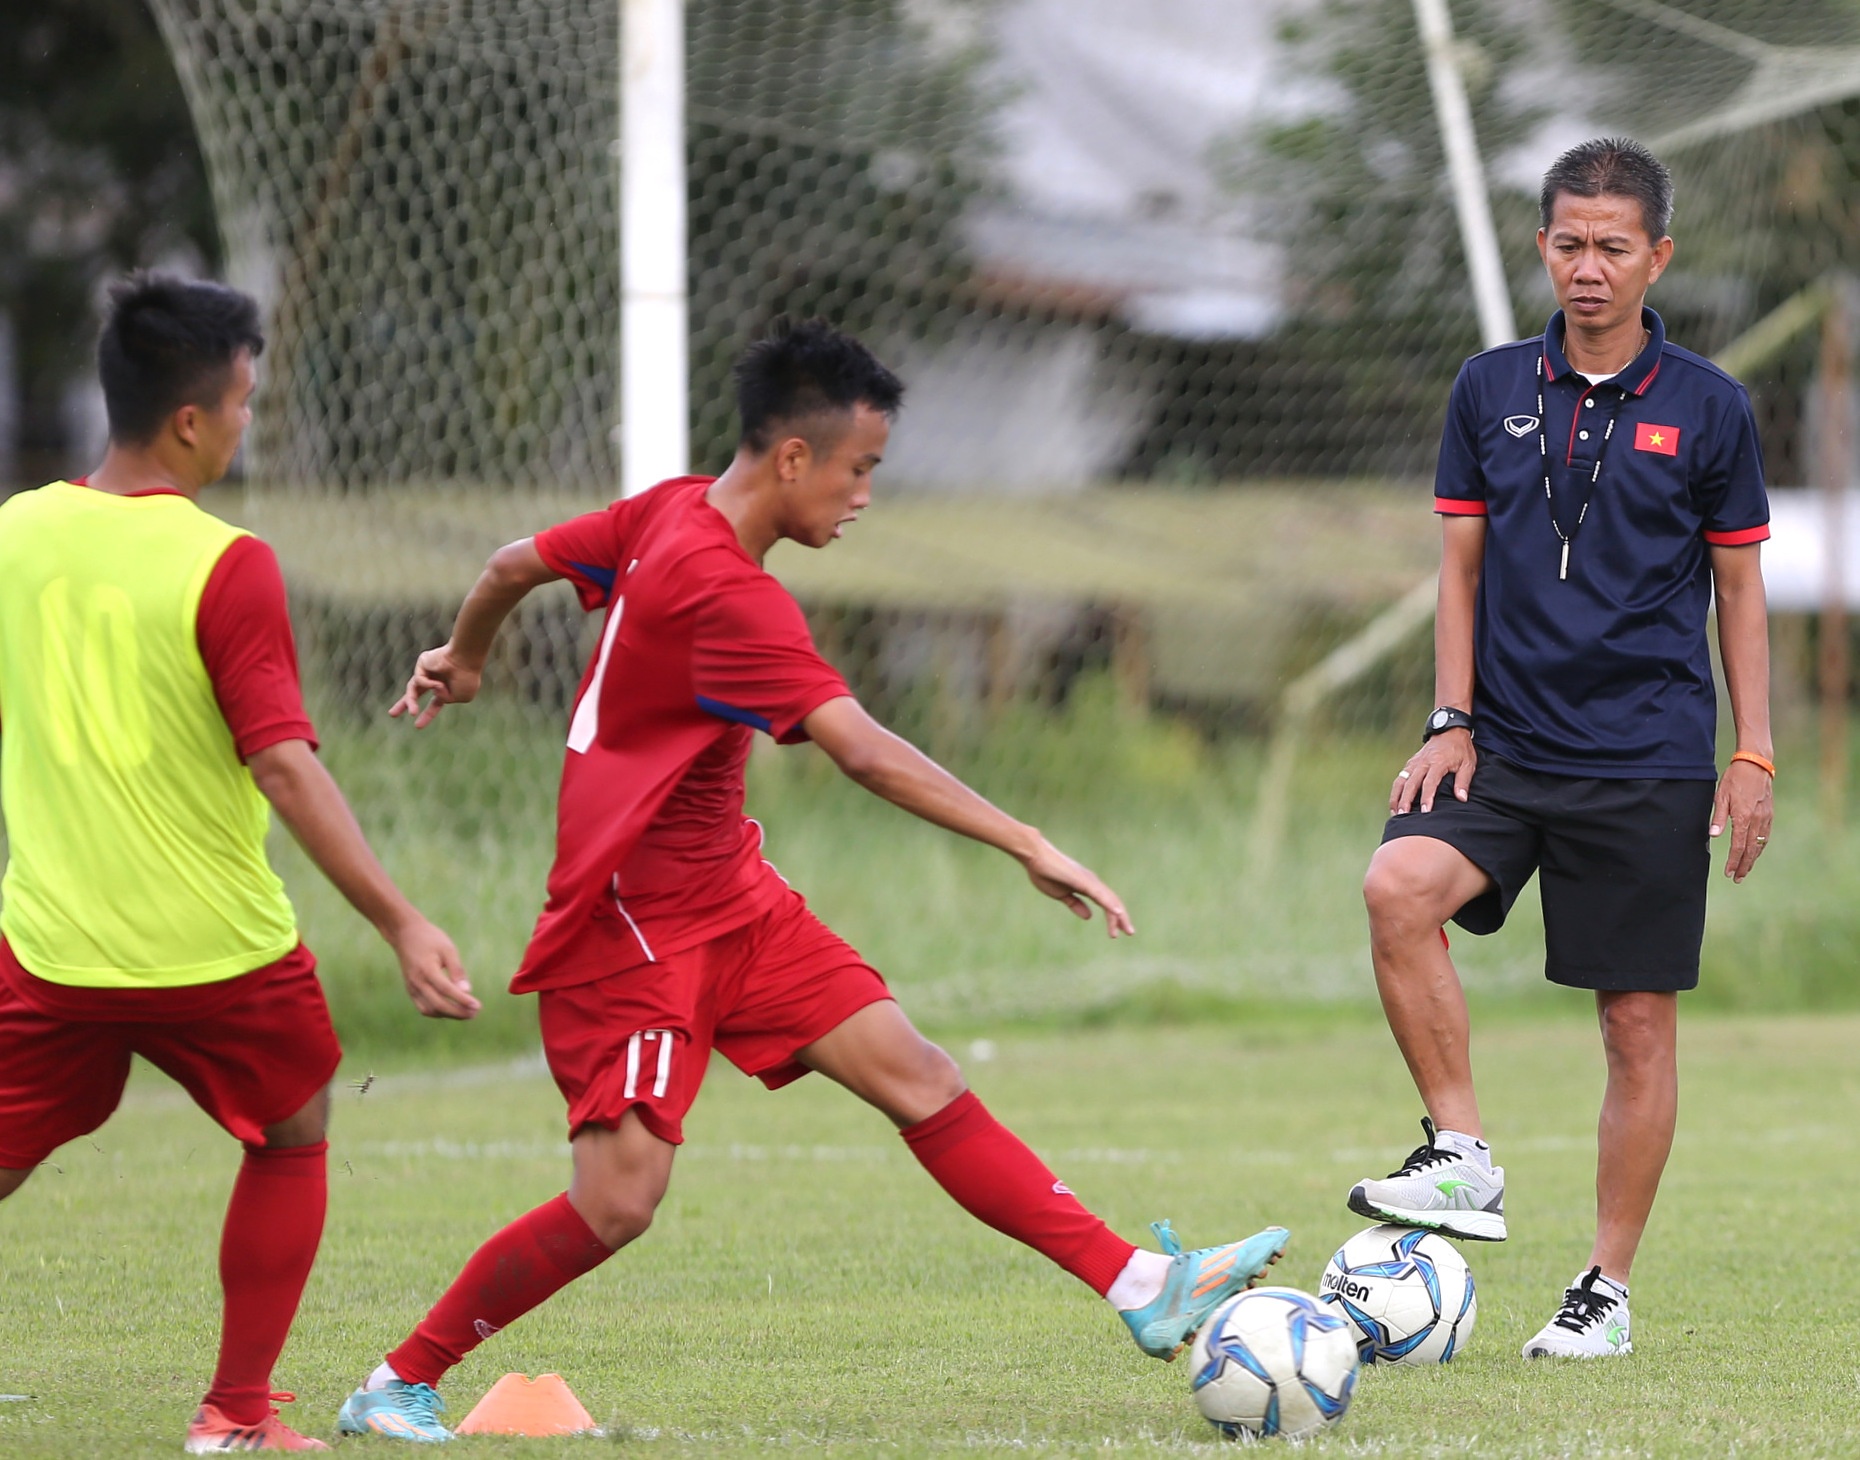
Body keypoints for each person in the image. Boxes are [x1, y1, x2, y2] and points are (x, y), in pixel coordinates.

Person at [336, 318, 1290, 1442]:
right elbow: (865, 749)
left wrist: (470, 654)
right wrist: (1025, 836)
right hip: (632, 929)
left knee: (918, 1072)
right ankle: (399, 1377)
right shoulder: (726, 593)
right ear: (794, 459)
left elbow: (510, 565)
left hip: (733, 897)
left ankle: (1140, 1285)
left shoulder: (666, 507)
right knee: (619, 1200)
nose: (866, 493)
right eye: (861, 467)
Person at [0, 274, 480, 1452]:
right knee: (296, 1126)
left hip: (53, 940)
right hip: (214, 943)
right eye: (246, 402)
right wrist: (403, 921)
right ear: (188, 420)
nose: (248, 422)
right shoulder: (229, 562)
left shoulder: (15, 532)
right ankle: (234, 1414)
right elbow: (284, 766)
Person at [1349, 138, 1773, 1359]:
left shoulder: (1711, 405)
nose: (1589, 268)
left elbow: (1741, 594)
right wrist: (1449, 715)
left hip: (1647, 755)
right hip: (1505, 749)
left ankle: (1603, 1288)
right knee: (1396, 886)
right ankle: (1462, 1152)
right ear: (1542, 246)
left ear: (1657, 258)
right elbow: (1461, 568)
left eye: (1614, 247)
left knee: (1634, 1026)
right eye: (1569, 243)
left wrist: (1755, 755)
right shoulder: (1487, 388)